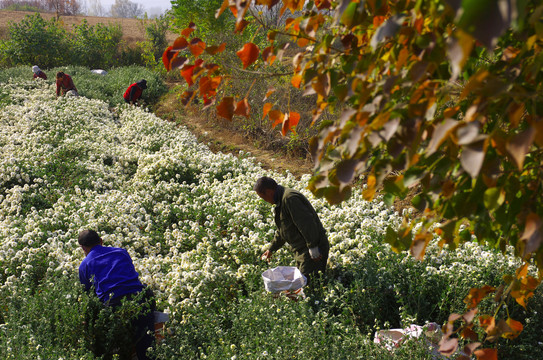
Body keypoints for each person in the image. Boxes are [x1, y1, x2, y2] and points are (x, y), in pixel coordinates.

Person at [78, 229, 155, 360]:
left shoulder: (85, 265)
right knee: (146, 344)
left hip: (113, 305)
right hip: (139, 299)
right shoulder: (121, 252)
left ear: (83, 248)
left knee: (114, 347)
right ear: (101, 241)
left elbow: (88, 295)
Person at [255, 176, 329, 284]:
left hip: (310, 251)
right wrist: (271, 249)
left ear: (269, 191)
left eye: (263, 197)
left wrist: (313, 247)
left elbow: (307, 223)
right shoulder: (281, 201)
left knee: (307, 287)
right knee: (301, 286)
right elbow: (283, 230)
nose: (264, 201)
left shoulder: (289, 198)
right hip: (302, 251)